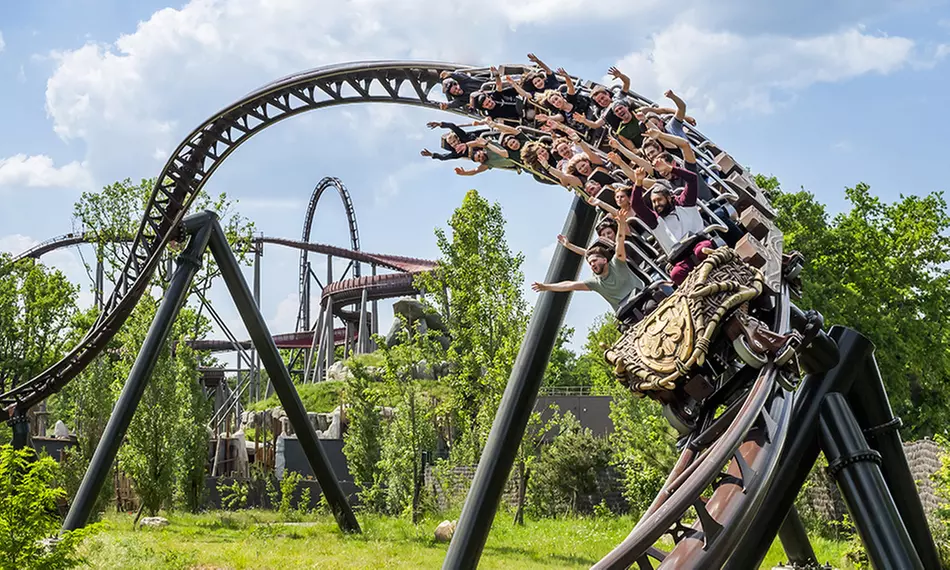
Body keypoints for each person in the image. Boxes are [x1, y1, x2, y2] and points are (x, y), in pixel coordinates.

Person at [532, 211, 643, 312]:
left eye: (594, 261)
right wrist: (546, 287)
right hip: (627, 312)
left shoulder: (617, 263)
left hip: (642, 297)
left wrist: (621, 224)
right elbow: (569, 285)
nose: (592, 264)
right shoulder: (595, 282)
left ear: (605, 260)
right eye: (590, 263)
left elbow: (620, 240)